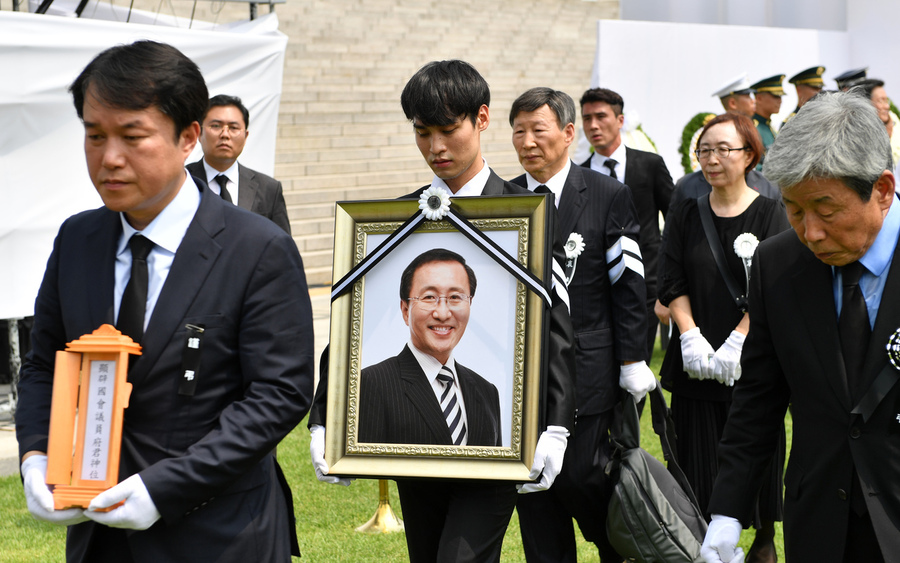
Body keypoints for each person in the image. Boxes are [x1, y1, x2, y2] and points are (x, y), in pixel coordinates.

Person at [14, 41, 314, 562]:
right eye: (94, 135)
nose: (109, 158)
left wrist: (163, 489)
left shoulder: (258, 248)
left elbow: (278, 394)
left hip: (219, 534)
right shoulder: (77, 240)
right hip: (99, 537)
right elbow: (44, 365)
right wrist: (36, 455)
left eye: (132, 136)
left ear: (188, 138)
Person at [309, 60, 577, 563]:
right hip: (417, 443)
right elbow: (353, 321)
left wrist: (557, 426)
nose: (436, 148)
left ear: (481, 119)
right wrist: (327, 417)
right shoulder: (398, 217)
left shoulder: (527, 214)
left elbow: (556, 330)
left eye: (448, 129)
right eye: (422, 132)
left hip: (497, 444)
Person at [701, 92, 900, 563]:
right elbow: (758, 401)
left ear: (883, 190)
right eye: (794, 209)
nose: (809, 232)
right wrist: (727, 511)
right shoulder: (778, 263)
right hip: (820, 522)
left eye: (826, 210)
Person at [510, 86, 656, 562]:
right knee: (533, 490)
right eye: (519, 131)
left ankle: (618, 547)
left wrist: (633, 358)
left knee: (583, 478)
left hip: (589, 371)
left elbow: (628, 285)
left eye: (539, 130)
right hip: (522, 377)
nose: (528, 142)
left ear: (568, 134)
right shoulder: (505, 200)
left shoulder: (607, 195)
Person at [658, 113, 789, 563]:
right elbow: (670, 280)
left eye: (723, 150)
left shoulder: (774, 214)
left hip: (752, 364)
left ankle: (763, 542)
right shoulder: (685, 213)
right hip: (697, 365)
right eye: (704, 150)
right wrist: (689, 334)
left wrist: (740, 339)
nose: (712, 159)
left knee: (758, 450)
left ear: (750, 154)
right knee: (697, 465)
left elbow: (778, 287)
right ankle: (703, 544)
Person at [358, 248, 502, 447]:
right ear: (405, 309)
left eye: (455, 297)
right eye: (429, 297)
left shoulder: (487, 392)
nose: (443, 313)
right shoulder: (373, 384)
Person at [579, 87, 675, 358]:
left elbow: (675, 221)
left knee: (637, 363)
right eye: (587, 118)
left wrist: (669, 285)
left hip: (646, 282)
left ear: (620, 121)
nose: (593, 125)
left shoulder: (650, 165)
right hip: (595, 286)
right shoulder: (580, 174)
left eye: (601, 116)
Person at [186, 94, 291, 234]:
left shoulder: (269, 189)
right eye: (216, 126)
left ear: (245, 136)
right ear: (199, 133)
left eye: (233, 128)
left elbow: (282, 248)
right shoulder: (180, 182)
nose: (225, 134)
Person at [748, 74, 785, 168]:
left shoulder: (769, 126)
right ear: (759, 98)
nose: (780, 101)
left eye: (780, 97)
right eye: (776, 96)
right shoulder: (752, 128)